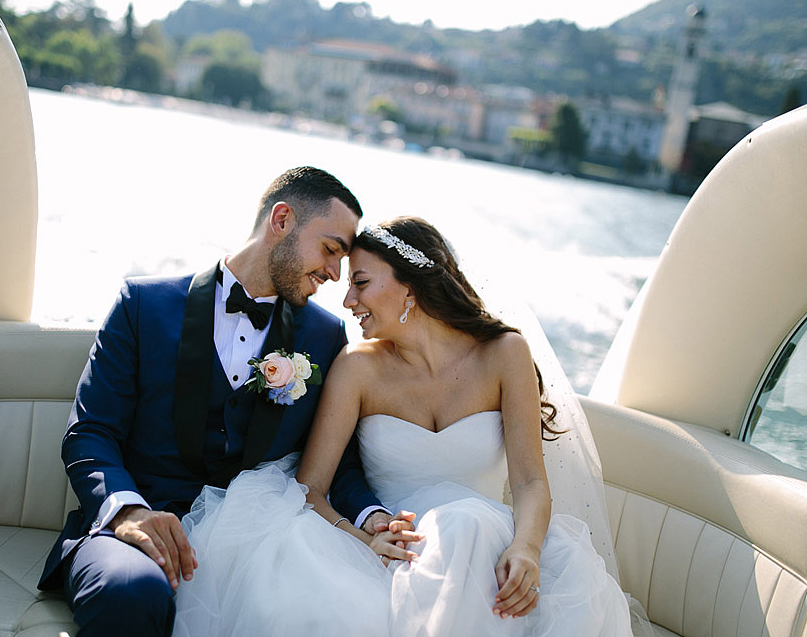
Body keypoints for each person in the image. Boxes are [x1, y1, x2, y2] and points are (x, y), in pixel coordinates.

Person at [174, 216, 647, 636]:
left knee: (466, 526)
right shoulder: (357, 368)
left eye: (360, 282)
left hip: (487, 549)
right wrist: (366, 540)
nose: (348, 298)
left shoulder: (505, 355)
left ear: (410, 288)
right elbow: (310, 488)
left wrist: (525, 550)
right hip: (389, 553)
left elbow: (529, 482)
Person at [37, 167, 409, 636]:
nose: (335, 275)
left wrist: (373, 518)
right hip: (138, 525)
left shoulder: (324, 335)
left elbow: (338, 460)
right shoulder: (143, 304)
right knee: (130, 592)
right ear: (281, 220)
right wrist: (128, 511)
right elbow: (90, 433)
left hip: (253, 543)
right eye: (331, 250)